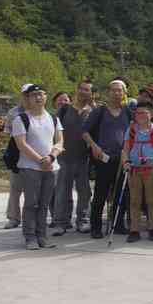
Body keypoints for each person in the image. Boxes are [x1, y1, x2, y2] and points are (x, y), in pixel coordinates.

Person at [11, 84, 64, 250]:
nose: (39, 97)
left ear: (46, 97)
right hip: (30, 168)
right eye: (34, 95)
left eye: (41, 94)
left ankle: (42, 236)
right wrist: (41, 160)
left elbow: (60, 141)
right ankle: (30, 237)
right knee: (31, 203)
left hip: (51, 167)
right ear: (28, 98)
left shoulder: (53, 118)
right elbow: (22, 144)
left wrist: (51, 157)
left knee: (44, 203)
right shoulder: (21, 119)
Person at [83, 79, 133, 238]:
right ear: (108, 92)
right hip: (104, 158)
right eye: (114, 90)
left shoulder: (127, 111)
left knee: (121, 193)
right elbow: (84, 131)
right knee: (100, 193)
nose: (117, 93)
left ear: (125, 93)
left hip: (122, 158)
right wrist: (94, 146)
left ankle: (118, 224)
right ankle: (95, 227)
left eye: (120, 90)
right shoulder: (100, 111)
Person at [52, 79, 94, 235]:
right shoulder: (64, 110)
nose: (84, 92)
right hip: (64, 157)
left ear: (91, 94)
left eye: (87, 90)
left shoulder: (92, 111)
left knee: (84, 191)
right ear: (77, 90)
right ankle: (60, 223)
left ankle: (83, 221)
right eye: (82, 89)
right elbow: (54, 131)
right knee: (62, 191)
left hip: (83, 158)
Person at [122, 102, 153, 243]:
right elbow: (125, 150)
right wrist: (126, 162)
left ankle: (152, 228)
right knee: (134, 201)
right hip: (134, 169)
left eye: (144, 113)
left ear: (151, 114)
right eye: (138, 113)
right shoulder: (131, 131)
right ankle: (134, 230)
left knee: (152, 200)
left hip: (151, 170)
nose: (141, 115)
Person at [3, 86, 30, 229]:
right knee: (15, 189)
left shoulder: (40, 112)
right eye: (25, 94)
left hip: (35, 155)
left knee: (34, 190)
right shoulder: (13, 113)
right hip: (17, 155)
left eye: (30, 94)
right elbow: (7, 132)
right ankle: (13, 218)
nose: (27, 97)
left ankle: (31, 219)